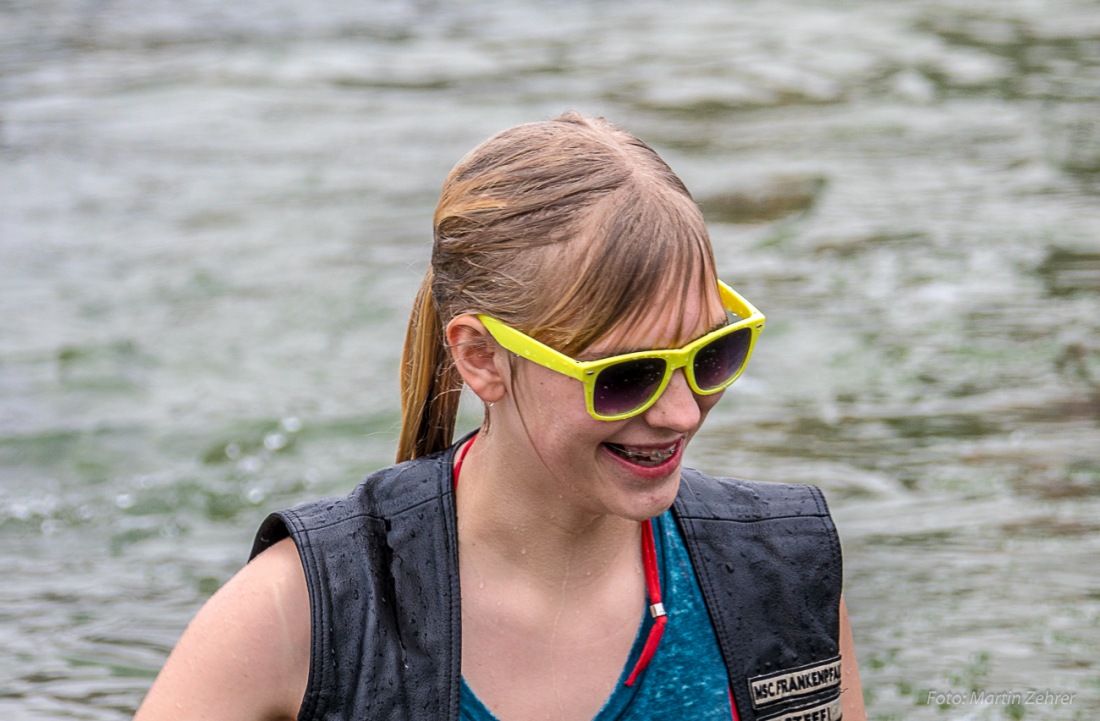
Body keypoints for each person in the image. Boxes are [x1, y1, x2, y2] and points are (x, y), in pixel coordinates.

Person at [134, 112, 865, 721]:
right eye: (625, 376)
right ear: (482, 357)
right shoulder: (302, 613)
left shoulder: (782, 580)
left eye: (711, 354)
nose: (680, 411)